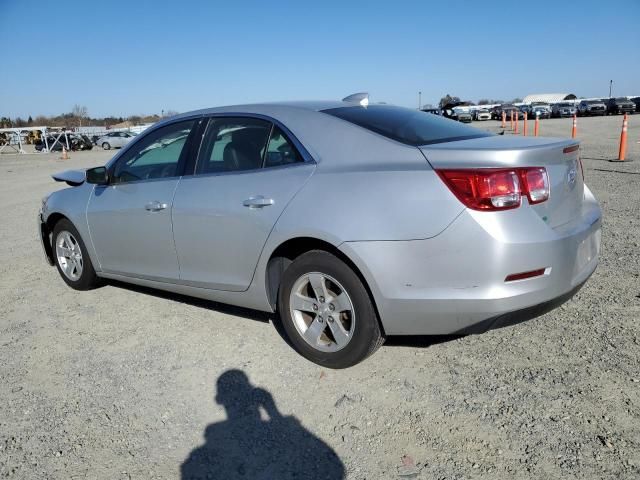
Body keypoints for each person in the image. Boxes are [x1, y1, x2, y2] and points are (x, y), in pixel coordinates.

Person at [181, 370, 345, 479]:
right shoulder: (214, 433)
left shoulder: (213, 434)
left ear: (220, 399)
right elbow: (336, 469)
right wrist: (275, 415)